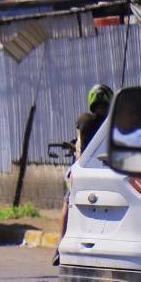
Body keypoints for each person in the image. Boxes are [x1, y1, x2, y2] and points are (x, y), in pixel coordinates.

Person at [54, 83, 113, 266]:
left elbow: (80, 150)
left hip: (82, 170)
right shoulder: (112, 122)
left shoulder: (84, 120)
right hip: (106, 170)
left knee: (67, 205)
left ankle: (59, 246)